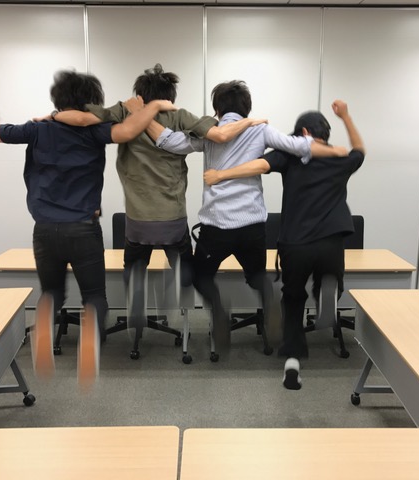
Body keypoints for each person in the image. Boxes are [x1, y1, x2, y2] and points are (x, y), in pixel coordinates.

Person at [0, 69, 176, 389]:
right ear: (93, 102)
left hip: (45, 231)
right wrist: (152, 106)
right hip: (83, 229)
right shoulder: (95, 131)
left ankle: (42, 343)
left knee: (51, 292)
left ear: (58, 99)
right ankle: (89, 349)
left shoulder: (37, 129)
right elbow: (128, 130)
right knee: (94, 295)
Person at [50, 65, 265, 337]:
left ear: (139, 95)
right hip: (172, 218)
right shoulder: (179, 115)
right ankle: (176, 293)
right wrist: (250, 122)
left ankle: (137, 309)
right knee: (187, 269)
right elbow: (220, 133)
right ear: (170, 97)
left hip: (137, 220)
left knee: (134, 267)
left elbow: (83, 118)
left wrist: (53, 116)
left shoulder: (124, 111)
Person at [149, 80, 346, 352]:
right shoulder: (260, 130)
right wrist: (333, 149)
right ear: (247, 108)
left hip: (217, 225)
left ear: (217, 110)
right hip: (252, 224)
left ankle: (219, 310)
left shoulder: (210, 131)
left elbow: (170, 142)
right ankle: (270, 303)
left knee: (201, 276)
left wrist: (143, 117)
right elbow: (299, 146)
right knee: (256, 275)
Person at [203, 100, 365, 389]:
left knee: (292, 300)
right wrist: (346, 116)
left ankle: (292, 362)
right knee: (330, 276)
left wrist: (221, 175)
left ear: (303, 133)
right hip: (332, 239)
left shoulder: (291, 154)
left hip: (296, 243)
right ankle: (327, 292)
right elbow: (360, 150)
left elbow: (258, 165)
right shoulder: (339, 156)